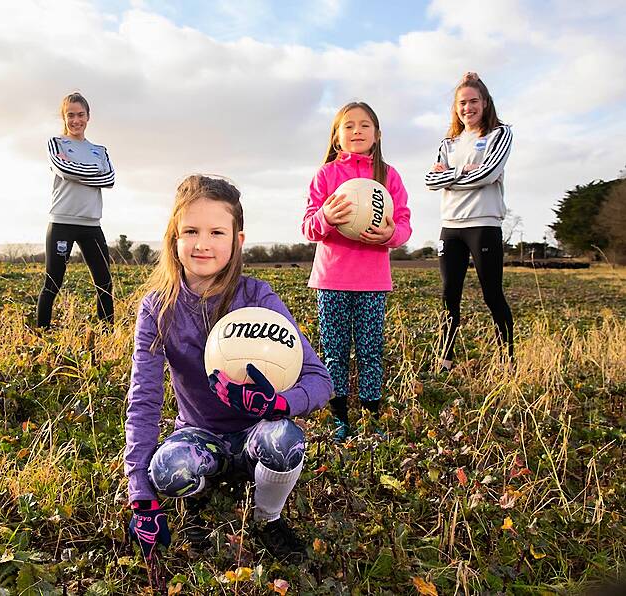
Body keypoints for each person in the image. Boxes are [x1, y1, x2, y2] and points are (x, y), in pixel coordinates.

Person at [124, 175, 332, 563]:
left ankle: (267, 518)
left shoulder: (258, 297)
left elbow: (320, 380)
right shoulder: (157, 309)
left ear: (237, 240)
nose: (202, 243)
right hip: (200, 434)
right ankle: (199, 500)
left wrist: (279, 404)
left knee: (284, 440)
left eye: (217, 231)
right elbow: (144, 400)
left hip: (257, 433)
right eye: (190, 231)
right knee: (167, 471)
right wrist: (141, 497)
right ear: (174, 237)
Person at [302, 101, 412, 442]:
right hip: (332, 279)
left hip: (372, 280)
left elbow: (405, 223)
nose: (357, 131)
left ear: (377, 135)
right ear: (337, 137)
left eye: (364, 125)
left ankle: (370, 416)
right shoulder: (326, 175)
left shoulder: (388, 175)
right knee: (334, 350)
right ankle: (339, 417)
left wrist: (390, 235)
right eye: (348, 126)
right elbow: (308, 227)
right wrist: (327, 218)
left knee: (369, 349)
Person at [424, 72, 514, 372]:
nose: (468, 108)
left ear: (485, 103)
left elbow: (487, 174)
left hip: (483, 224)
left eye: (474, 101)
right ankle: (445, 359)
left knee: (492, 294)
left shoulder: (499, 135)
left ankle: (508, 358)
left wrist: (449, 176)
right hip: (451, 227)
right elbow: (429, 180)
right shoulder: (448, 142)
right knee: (449, 294)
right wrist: (462, 173)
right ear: (456, 107)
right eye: (462, 103)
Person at [36, 92, 115, 328]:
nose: (76, 120)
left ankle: (106, 335)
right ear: (64, 117)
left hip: (91, 225)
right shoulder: (56, 143)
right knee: (53, 282)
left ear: (88, 117)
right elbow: (63, 169)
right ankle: (42, 336)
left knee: (104, 283)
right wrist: (93, 173)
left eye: (80, 115)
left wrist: (76, 170)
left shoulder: (100, 151)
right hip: (62, 222)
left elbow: (109, 178)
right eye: (71, 115)